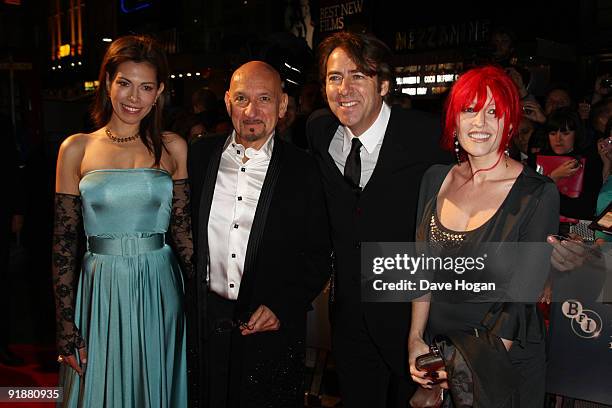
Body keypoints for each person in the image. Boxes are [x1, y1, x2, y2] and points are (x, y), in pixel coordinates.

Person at [306, 31, 446, 407]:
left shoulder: (427, 137)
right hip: (349, 318)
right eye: (335, 77)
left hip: (411, 319)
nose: (344, 88)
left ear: (383, 83)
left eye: (358, 75)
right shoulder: (320, 133)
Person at [408, 65, 559, 407]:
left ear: (509, 122)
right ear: (454, 118)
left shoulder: (537, 193)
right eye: (470, 109)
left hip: (501, 362)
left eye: (494, 112)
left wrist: (460, 368)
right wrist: (416, 339)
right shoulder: (434, 179)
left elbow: (519, 302)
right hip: (438, 351)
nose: (480, 123)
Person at [53, 35, 190, 407]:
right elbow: (64, 245)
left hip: (160, 287)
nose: (134, 98)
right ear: (108, 83)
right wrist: (66, 328)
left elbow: (183, 236)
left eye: (146, 87)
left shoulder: (173, 147)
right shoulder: (76, 148)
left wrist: (211, 304)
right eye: (124, 84)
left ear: (159, 90)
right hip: (101, 286)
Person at [187, 60, 331, 408]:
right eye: (241, 98)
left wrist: (283, 305)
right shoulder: (198, 157)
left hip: (271, 333)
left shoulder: (306, 169)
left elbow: (319, 256)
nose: (251, 111)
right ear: (226, 102)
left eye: (264, 98)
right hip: (205, 329)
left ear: (283, 105)